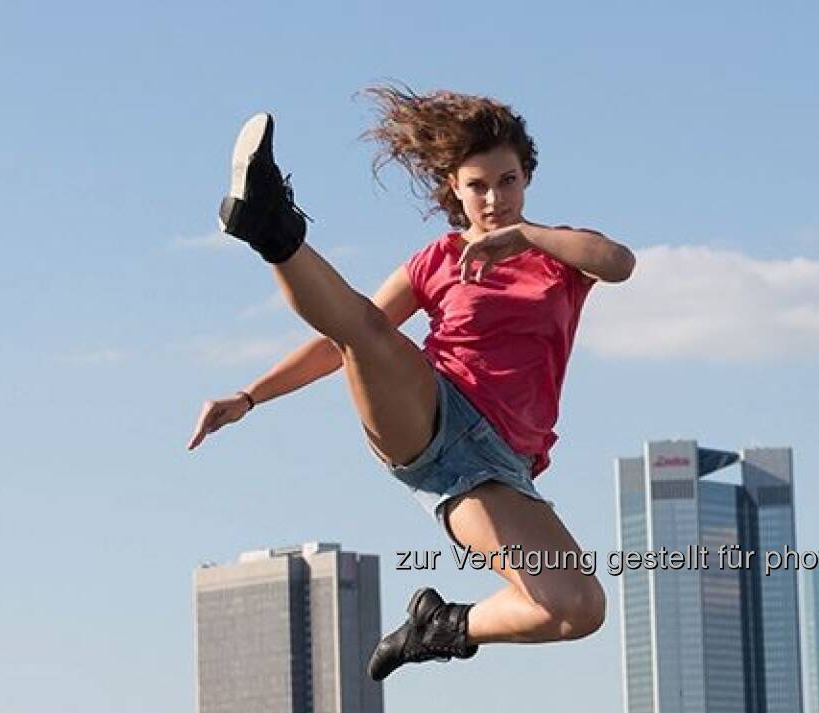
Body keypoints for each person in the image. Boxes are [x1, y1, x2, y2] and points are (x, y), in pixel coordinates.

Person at [187, 88, 635, 681]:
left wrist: (527, 237)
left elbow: (618, 262)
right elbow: (342, 339)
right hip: (436, 418)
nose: (495, 200)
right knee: (366, 332)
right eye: (478, 186)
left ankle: (436, 628)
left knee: (578, 609)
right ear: (454, 187)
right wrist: (250, 396)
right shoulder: (439, 259)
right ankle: (273, 229)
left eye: (507, 181)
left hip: (503, 468)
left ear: (526, 177)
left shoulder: (558, 255)